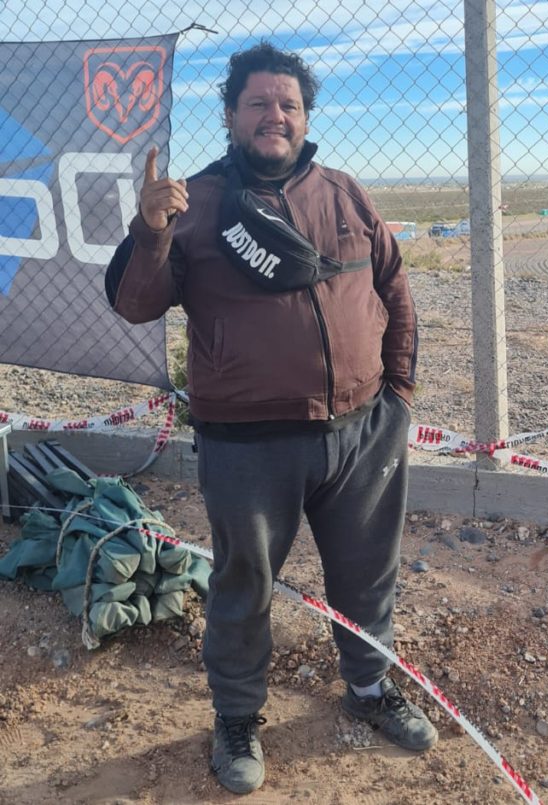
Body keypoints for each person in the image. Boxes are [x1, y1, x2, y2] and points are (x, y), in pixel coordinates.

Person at [105, 42, 435, 795]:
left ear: (305, 117)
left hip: (361, 433)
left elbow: (395, 287)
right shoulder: (194, 203)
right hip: (247, 445)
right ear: (229, 115)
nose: (273, 116)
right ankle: (237, 717)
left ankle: (369, 687)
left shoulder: (346, 194)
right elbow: (135, 302)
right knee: (244, 584)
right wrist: (150, 232)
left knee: (367, 577)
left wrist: (401, 395)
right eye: (257, 103)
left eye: (287, 104)